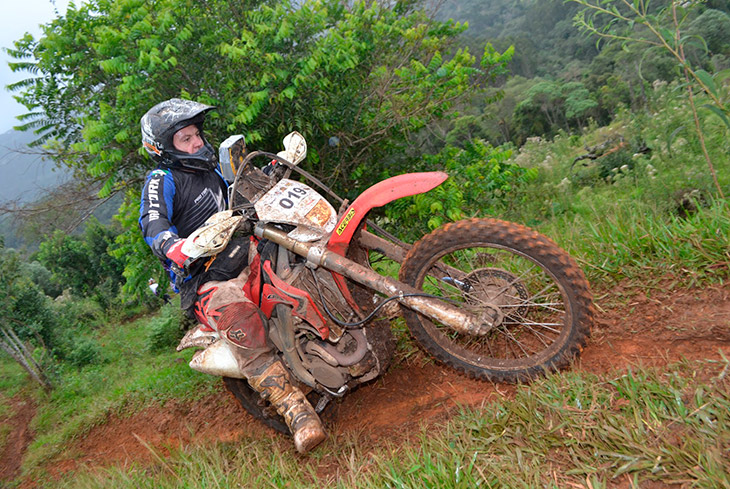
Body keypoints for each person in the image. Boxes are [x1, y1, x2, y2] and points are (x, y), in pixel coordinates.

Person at [138, 98, 326, 453]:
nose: (197, 143)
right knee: (235, 312)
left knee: (310, 242)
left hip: (250, 246)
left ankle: (363, 301)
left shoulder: (213, 169)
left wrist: (280, 161)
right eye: (185, 139)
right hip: (208, 275)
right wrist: (177, 247)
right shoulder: (161, 179)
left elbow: (248, 187)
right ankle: (295, 410)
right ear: (164, 149)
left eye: (196, 135)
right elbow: (152, 223)